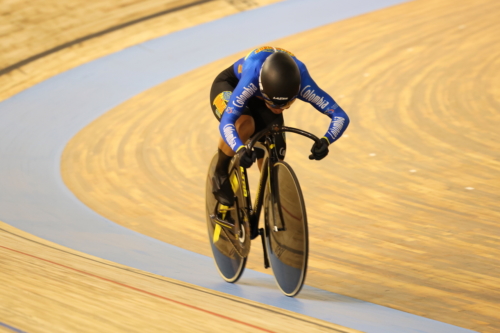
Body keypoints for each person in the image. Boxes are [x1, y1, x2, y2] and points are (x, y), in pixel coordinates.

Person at [210, 46, 349, 207]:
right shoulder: (252, 76)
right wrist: (239, 148)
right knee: (245, 124)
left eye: (286, 105)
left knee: (276, 152)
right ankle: (220, 173)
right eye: (275, 104)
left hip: (263, 96)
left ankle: (271, 208)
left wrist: (327, 140)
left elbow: (340, 116)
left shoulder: (303, 81)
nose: (279, 109)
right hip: (232, 86)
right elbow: (227, 122)